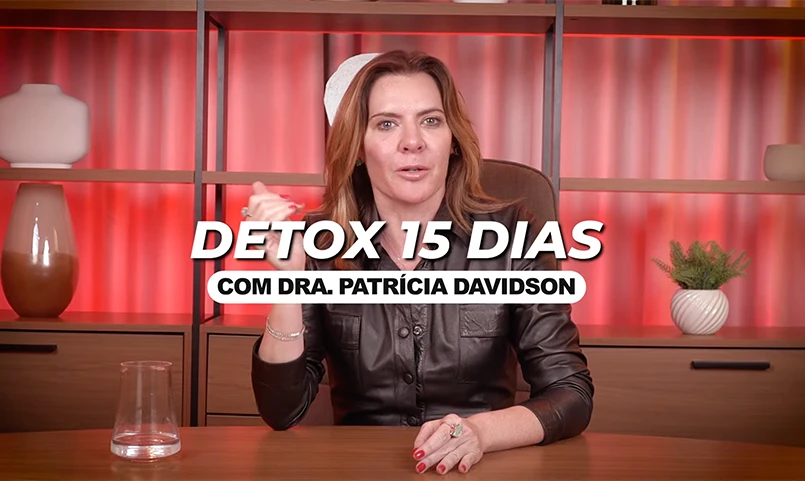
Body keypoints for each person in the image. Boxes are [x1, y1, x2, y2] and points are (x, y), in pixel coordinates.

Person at [246, 50, 594, 475]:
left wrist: (480, 432)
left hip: (478, 467)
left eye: (430, 120)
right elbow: (281, 409)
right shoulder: (320, 241)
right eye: (386, 124)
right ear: (358, 147)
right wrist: (288, 282)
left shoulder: (516, 233)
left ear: (453, 140)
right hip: (361, 470)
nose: (413, 141)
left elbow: (571, 393)